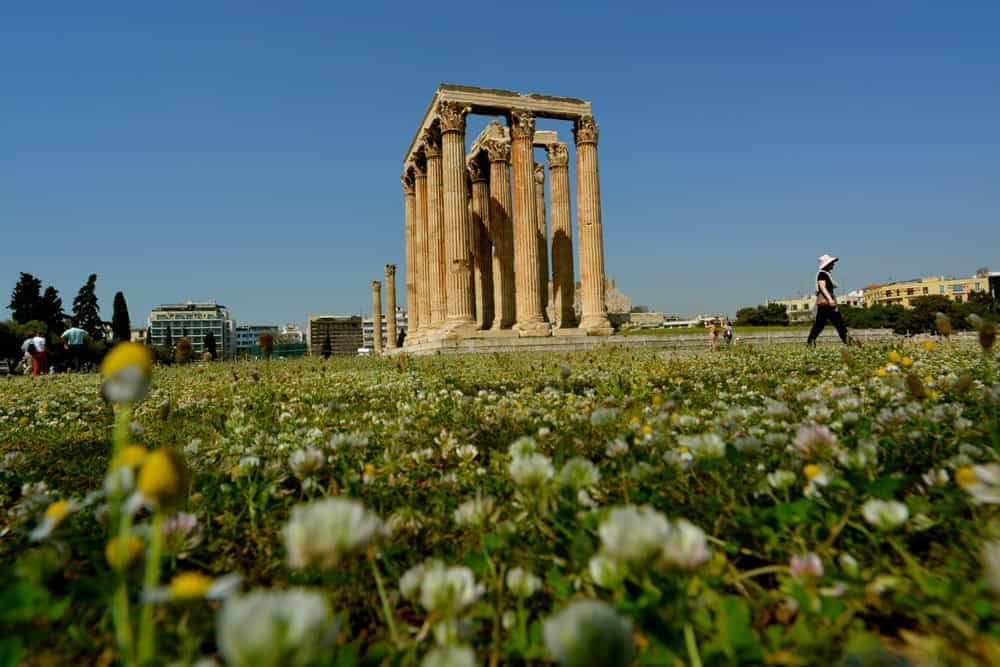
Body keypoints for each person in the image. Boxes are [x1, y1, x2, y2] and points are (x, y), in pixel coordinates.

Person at [807, 254, 850, 346]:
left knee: (820, 324)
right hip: (827, 303)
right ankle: (848, 341)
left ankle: (811, 341)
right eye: (832, 263)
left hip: (825, 304)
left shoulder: (825, 274)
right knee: (839, 323)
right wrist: (830, 299)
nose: (833, 265)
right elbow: (822, 288)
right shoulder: (822, 274)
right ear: (827, 264)